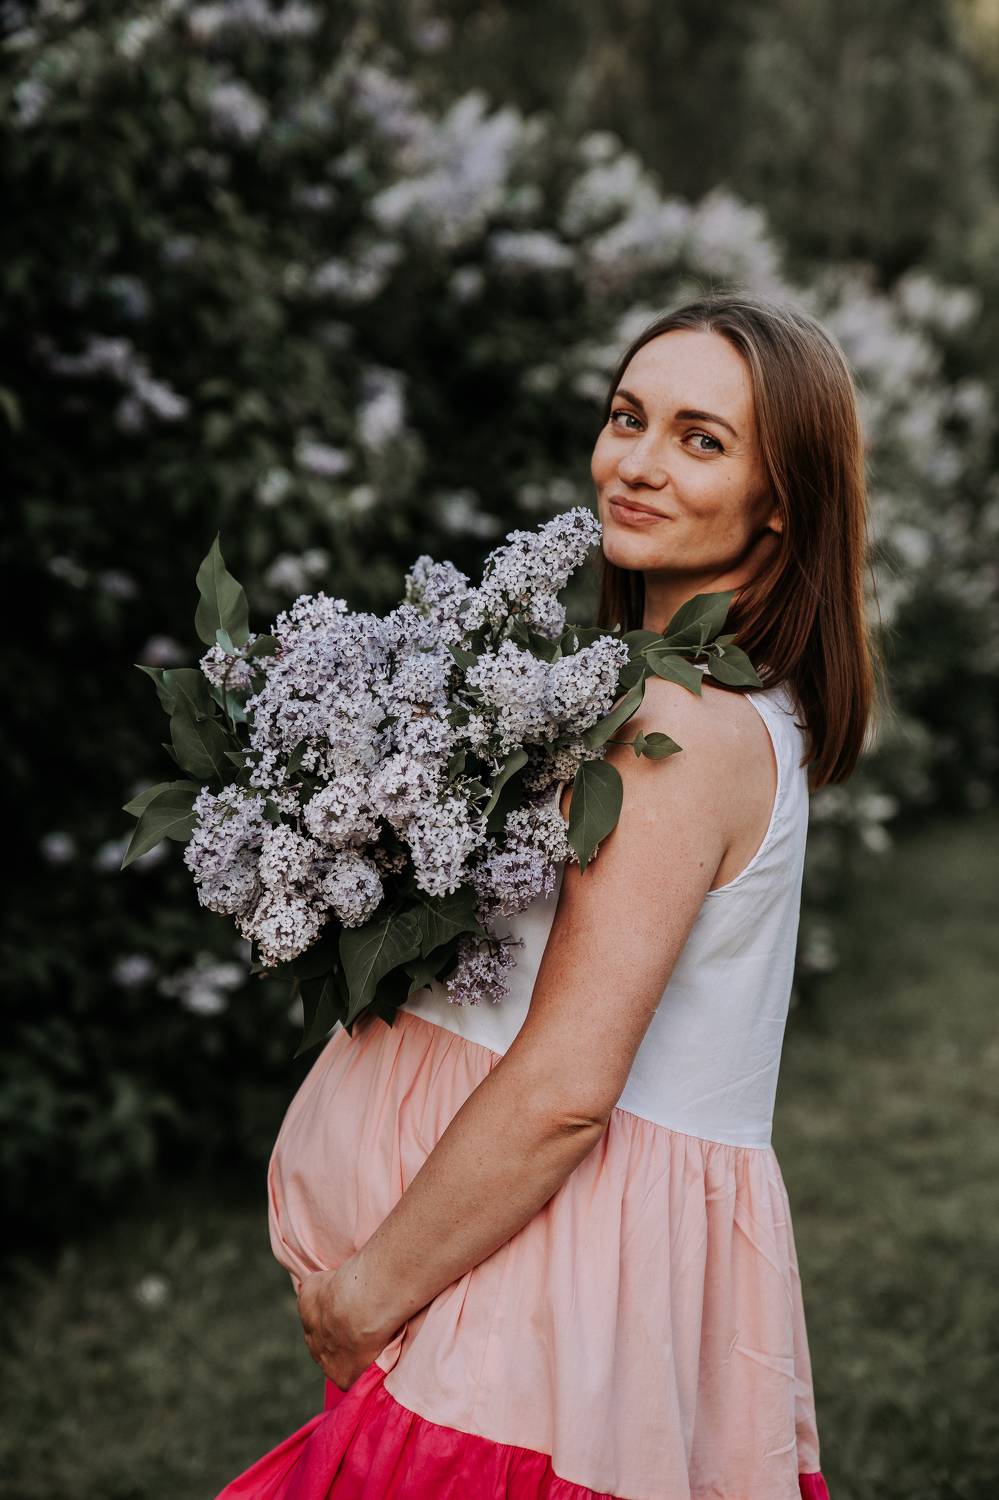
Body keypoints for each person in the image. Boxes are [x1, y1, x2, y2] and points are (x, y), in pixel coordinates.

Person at [216, 293, 882, 1499]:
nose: (636, 463)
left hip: (540, 1301)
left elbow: (568, 1092)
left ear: (782, 499)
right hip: (496, 1281)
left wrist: (365, 1297)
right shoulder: (669, 694)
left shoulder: (681, 730)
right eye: (628, 417)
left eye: (701, 439)